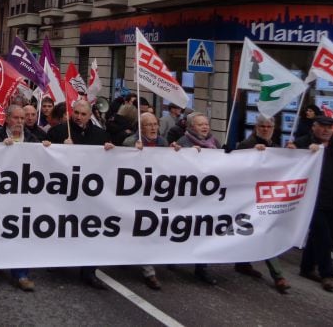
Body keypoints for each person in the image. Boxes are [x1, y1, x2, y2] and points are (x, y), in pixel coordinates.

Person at [47, 99, 113, 288]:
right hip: (64, 192)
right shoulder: (58, 132)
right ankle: (57, 260)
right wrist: (59, 148)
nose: (79, 117)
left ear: (90, 115)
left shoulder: (101, 135)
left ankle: (89, 271)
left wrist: (110, 150)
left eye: (83, 114)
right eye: (76, 113)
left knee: (90, 230)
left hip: (91, 193)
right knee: (62, 226)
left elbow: (110, 164)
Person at [0, 105, 50, 291]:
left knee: (22, 231)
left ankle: (21, 274)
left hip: (24, 195)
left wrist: (46, 149)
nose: (20, 122)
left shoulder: (32, 138)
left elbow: (42, 163)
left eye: (22, 119)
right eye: (16, 118)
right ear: (7, 119)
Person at [289, 115, 333, 291]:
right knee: (324, 238)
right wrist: (300, 151)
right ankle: (328, 275)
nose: (326, 130)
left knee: (323, 235)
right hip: (312, 201)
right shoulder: (303, 142)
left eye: (329, 127)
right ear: (314, 127)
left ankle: (307, 267)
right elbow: (289, 160)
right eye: (322, 126)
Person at [234, 115, 291, 293]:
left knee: (264, 232)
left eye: (269, 126)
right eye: (262, 126)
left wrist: (291, 153)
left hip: (265, 199)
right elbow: (236, 164)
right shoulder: (246, 144)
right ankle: (277, 275)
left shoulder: (274, 147)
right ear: (256, 127)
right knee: (252, 231)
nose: (265, 129)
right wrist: (251, 151)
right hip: (248, 198)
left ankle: (276, 274)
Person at [175, 112, 221, 285]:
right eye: (200, 124)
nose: (205, 127)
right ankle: (173, 256)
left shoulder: (214, 143)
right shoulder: (183, 142)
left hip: (207, 196)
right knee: (182, 228)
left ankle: (202, 267)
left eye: (206, 124)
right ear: (191, 127)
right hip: (188, 195)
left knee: (203, 230)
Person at [123, 112, 167, 290]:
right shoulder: (129, 142)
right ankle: (149, 272)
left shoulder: (163, 143)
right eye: (149, 125)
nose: (153, 128)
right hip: (136, 194)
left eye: (155, 124)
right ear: (141, 127)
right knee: (142, 228)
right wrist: (134, 152)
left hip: (157, 193)